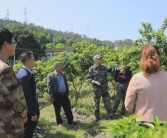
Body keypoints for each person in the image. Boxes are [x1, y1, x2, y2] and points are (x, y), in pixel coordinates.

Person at [125, 44, 167, 122]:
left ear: (142, 59)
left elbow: (128, 105)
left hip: (144, 123)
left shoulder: (137, 78)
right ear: (159, 58)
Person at [0, 28, 27, 138]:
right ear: (6, 44)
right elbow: (18, 101)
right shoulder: (4, 69)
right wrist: (25, 115)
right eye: (14, 42)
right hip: (9, 128)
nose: (15, 45)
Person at [17, 51, 40, 138]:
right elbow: (27, 96)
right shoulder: (25, 75)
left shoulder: (25, 72)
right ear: (28, 61)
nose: (35, 61)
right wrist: (33, 113)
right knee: (28, 133)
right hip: (28, 112)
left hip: (29, 109)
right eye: (33, 59)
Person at [88, 55, 113, 121]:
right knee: (97, 103)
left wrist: (116, 67)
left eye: (101, 58)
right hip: (97, 89)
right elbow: (89, 78)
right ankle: (97, 117)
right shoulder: (91, 69)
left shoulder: (104, 67)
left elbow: (110, 69)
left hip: (104, 88)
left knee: (107, 101)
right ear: (95, 60)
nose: (101, 60)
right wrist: (94, 81)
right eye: (99, 59)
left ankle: (111, 115)